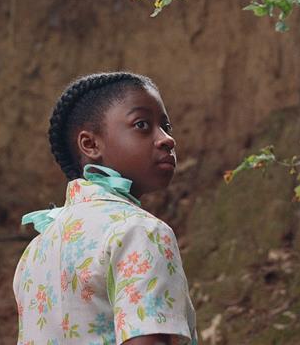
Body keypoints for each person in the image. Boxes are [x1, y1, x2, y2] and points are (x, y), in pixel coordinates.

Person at [14, 72, 198, 345]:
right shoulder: (141, 232)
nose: (166, 139)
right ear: (90, 144)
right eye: (142, 125)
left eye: (166, 126)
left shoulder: (35, 253)